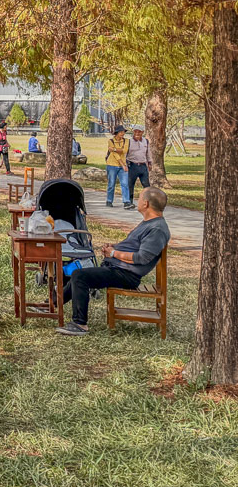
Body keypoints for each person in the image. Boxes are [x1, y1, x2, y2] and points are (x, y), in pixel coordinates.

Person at [57, 186, 170, 336]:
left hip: (127, 274)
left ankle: (80, 324)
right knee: (80, 274)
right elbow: (132, 247)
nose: (138, 200)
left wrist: (114, 253)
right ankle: (50, 305)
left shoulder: (157, 229)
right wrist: (113, 248)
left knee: (80, 276)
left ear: (146, 204)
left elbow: (142, 258)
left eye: (140, 197)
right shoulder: (148, 223)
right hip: (119, 268)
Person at [105, 124, 131, 208]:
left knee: (125, 184)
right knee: (111, 184)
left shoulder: (126, 141)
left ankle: (126, 201)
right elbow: (115, 155)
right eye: (121, 132)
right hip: (112, 165)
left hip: (123, 165)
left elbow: (124, 151)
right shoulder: (110, 141)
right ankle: (109, 201)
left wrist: (115, 149)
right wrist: (122, 164)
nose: (123, 133)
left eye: (123, 132)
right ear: (116, 133)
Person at [127, 126, 151, 209]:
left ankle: (148, 202)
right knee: (130, 185)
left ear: (142, 132)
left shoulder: (146, 141)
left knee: (146, 185)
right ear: (133, 132)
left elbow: (148, 153)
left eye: (139, 132)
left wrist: (150, 163)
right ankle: (129, 202)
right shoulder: (129, 141)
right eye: (135, 131)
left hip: (143, 165)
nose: (137, 133)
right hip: (132, 165)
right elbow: (125, 153)